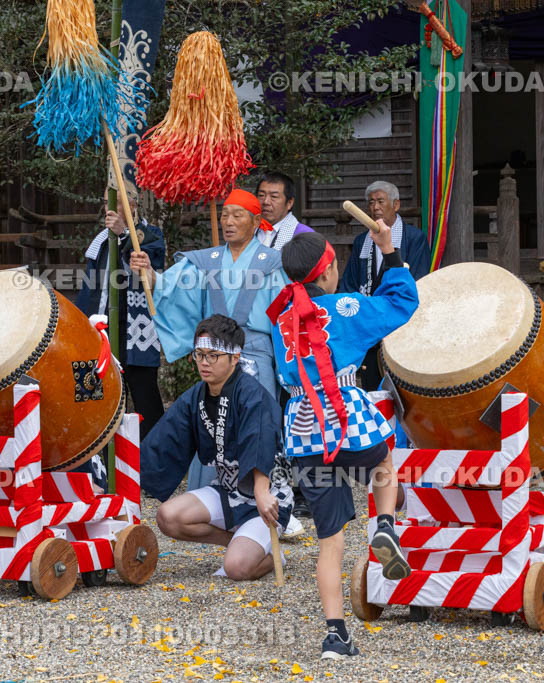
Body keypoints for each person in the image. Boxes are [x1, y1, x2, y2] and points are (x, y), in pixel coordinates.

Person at [269, 228, 417, 659]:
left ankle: (336, 635)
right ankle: (384, 525)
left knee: (329, 540)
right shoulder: (346, 306)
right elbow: (402, 303)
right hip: (346, 419)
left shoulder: (279, 319)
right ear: (330, 269)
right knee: (385, 461)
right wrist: (388, 250)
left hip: (302, 431)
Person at [130, 188, 288, 492]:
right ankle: (210, 495)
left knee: (260, 423)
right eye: (225, 214)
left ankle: (265, 497)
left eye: (237, 215)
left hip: (256, 354)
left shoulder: (274, 262)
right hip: (213, 356)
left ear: (256, 221)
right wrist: (148, 272)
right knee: (212, 423)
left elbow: (285, 316)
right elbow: (166, 289)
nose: (228, 221)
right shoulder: (205, 261)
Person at [140, 314, 293, 580]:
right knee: (168, 516)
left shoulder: (251, 394)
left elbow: (260, 443)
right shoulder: (197, 396)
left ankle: (270, 554)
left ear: (235, 357)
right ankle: (237, 540)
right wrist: (128, 477)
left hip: (266, 495)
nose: (204, 363)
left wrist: (261, 492)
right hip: (226, 489)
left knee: (237, 569)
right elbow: (165, 439)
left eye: (213, 355)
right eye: (200, 355)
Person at [77, 187, 165, 439]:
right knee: (97, 396)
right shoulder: (101, 240)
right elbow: (90, 287)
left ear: (134, 204)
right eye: (106, 203)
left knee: (145, 397)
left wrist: (124, 234)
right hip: (103, 326)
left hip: (136, 328)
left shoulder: (151, 235)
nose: (109, 208)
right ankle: (100, 460)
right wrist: (84, 323)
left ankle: (152, 459)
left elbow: (151, 266)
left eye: (115, 202)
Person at [338, 181, 431, 391]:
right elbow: (351, 282)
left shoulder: (413, 238)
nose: (375, 207)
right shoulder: (363, 240)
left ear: (396, 205)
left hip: (401, 325)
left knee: (403, 391)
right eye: (371, 203)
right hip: (369, 325)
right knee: (373, 389)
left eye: (381, 201)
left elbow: (419, 279)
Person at [254, 171, 315, 250]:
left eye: (274, 196)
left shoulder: (305, 236)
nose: (266, 202)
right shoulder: (247, 230)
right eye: (261, 195)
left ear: (289, 203)